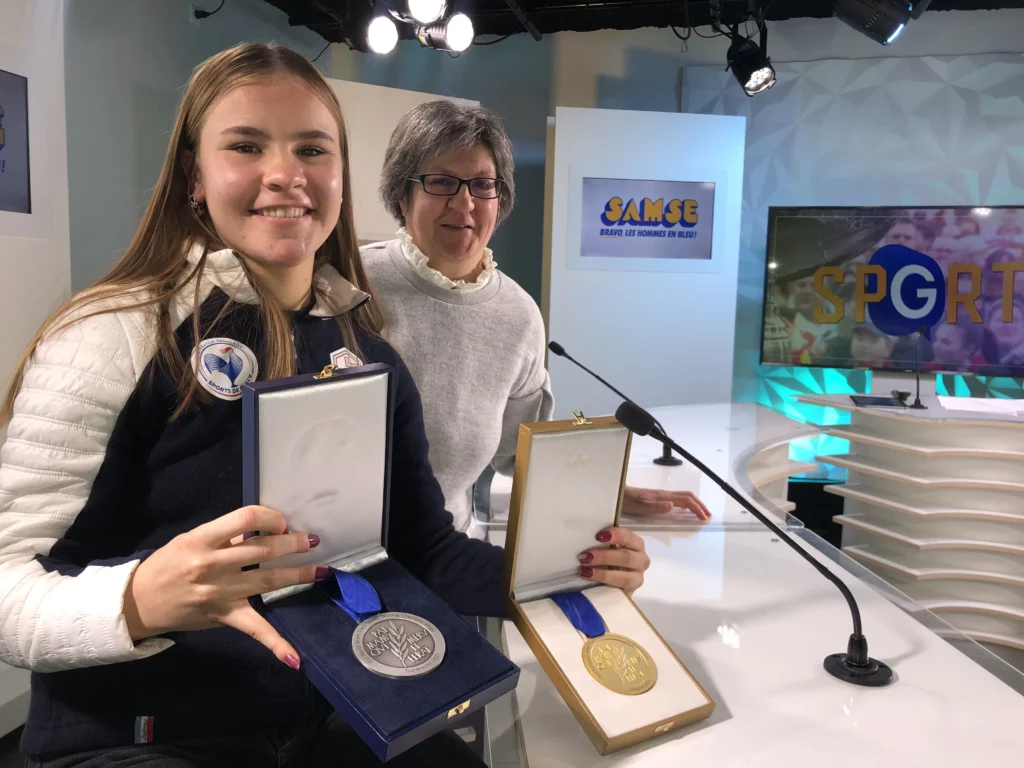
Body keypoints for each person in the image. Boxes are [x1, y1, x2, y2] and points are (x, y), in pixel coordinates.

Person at [0, 44, 651, 766]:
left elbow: (422, 549)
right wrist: (138, 600)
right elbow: (8, 588)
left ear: (340, 176)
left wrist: (564, 568)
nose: (286, 174)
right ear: (195, 175)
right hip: (142, 735)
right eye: (246, 145)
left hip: (333, 715)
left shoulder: (368, 355)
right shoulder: (112, 335)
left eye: (312, 148)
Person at [360, 100, 710, 539]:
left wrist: (608, 492)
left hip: (446, 555)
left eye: (482, 185)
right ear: (401, 193)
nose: (464, 203)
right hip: (336, 556)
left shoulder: (518, 315)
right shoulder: (353, 283)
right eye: (442, 182)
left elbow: (520, 451)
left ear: (500, 198)